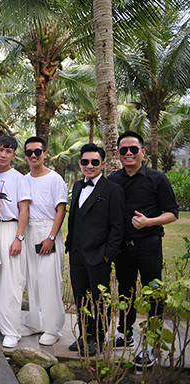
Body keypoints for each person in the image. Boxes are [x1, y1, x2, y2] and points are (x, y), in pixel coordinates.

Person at [108, 131, 178, 367]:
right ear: (118, 153)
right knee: (125, 291)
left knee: (153, 294)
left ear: (143, 152)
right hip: (123, 248)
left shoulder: (157, 179)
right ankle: (124, 334)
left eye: (133, 149)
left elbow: (172, 213)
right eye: (123, 150)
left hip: (149, 245)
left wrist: (149, 222)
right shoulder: (113, 180)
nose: (128, 153)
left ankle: (151, 344)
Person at [66, 143, 125, 357]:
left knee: (100, 299)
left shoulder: (112, 189)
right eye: (85, 162)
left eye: (94, 162)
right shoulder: (77, 186)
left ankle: (98, 338)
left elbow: (118, 226)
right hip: (77, 254)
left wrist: (108, 254)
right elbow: (75, 218)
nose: (89, 166)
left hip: (99, 255)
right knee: (80, 297)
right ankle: (85, 335)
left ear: (103, 164)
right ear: (80, 163)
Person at [0, 135, 31, 349]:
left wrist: (19, 237)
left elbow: (24, 209)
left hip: (10, 229)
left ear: (13, 155)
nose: (3, 154)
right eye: (1, 150)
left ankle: (11, 330)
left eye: (8, 151)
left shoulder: (19, 178)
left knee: (11, 281)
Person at [21, 136, 67, 346]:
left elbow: (61, 210)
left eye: (37, 152)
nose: (33, 155)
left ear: (45, 153)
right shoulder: (24, 179)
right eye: (29, 152)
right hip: (29, 230)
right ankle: (34, 322)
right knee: (33, 280)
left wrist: (51, 237)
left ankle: (52, 328)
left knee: (50, 281)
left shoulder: (55, 179)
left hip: (48, 230)